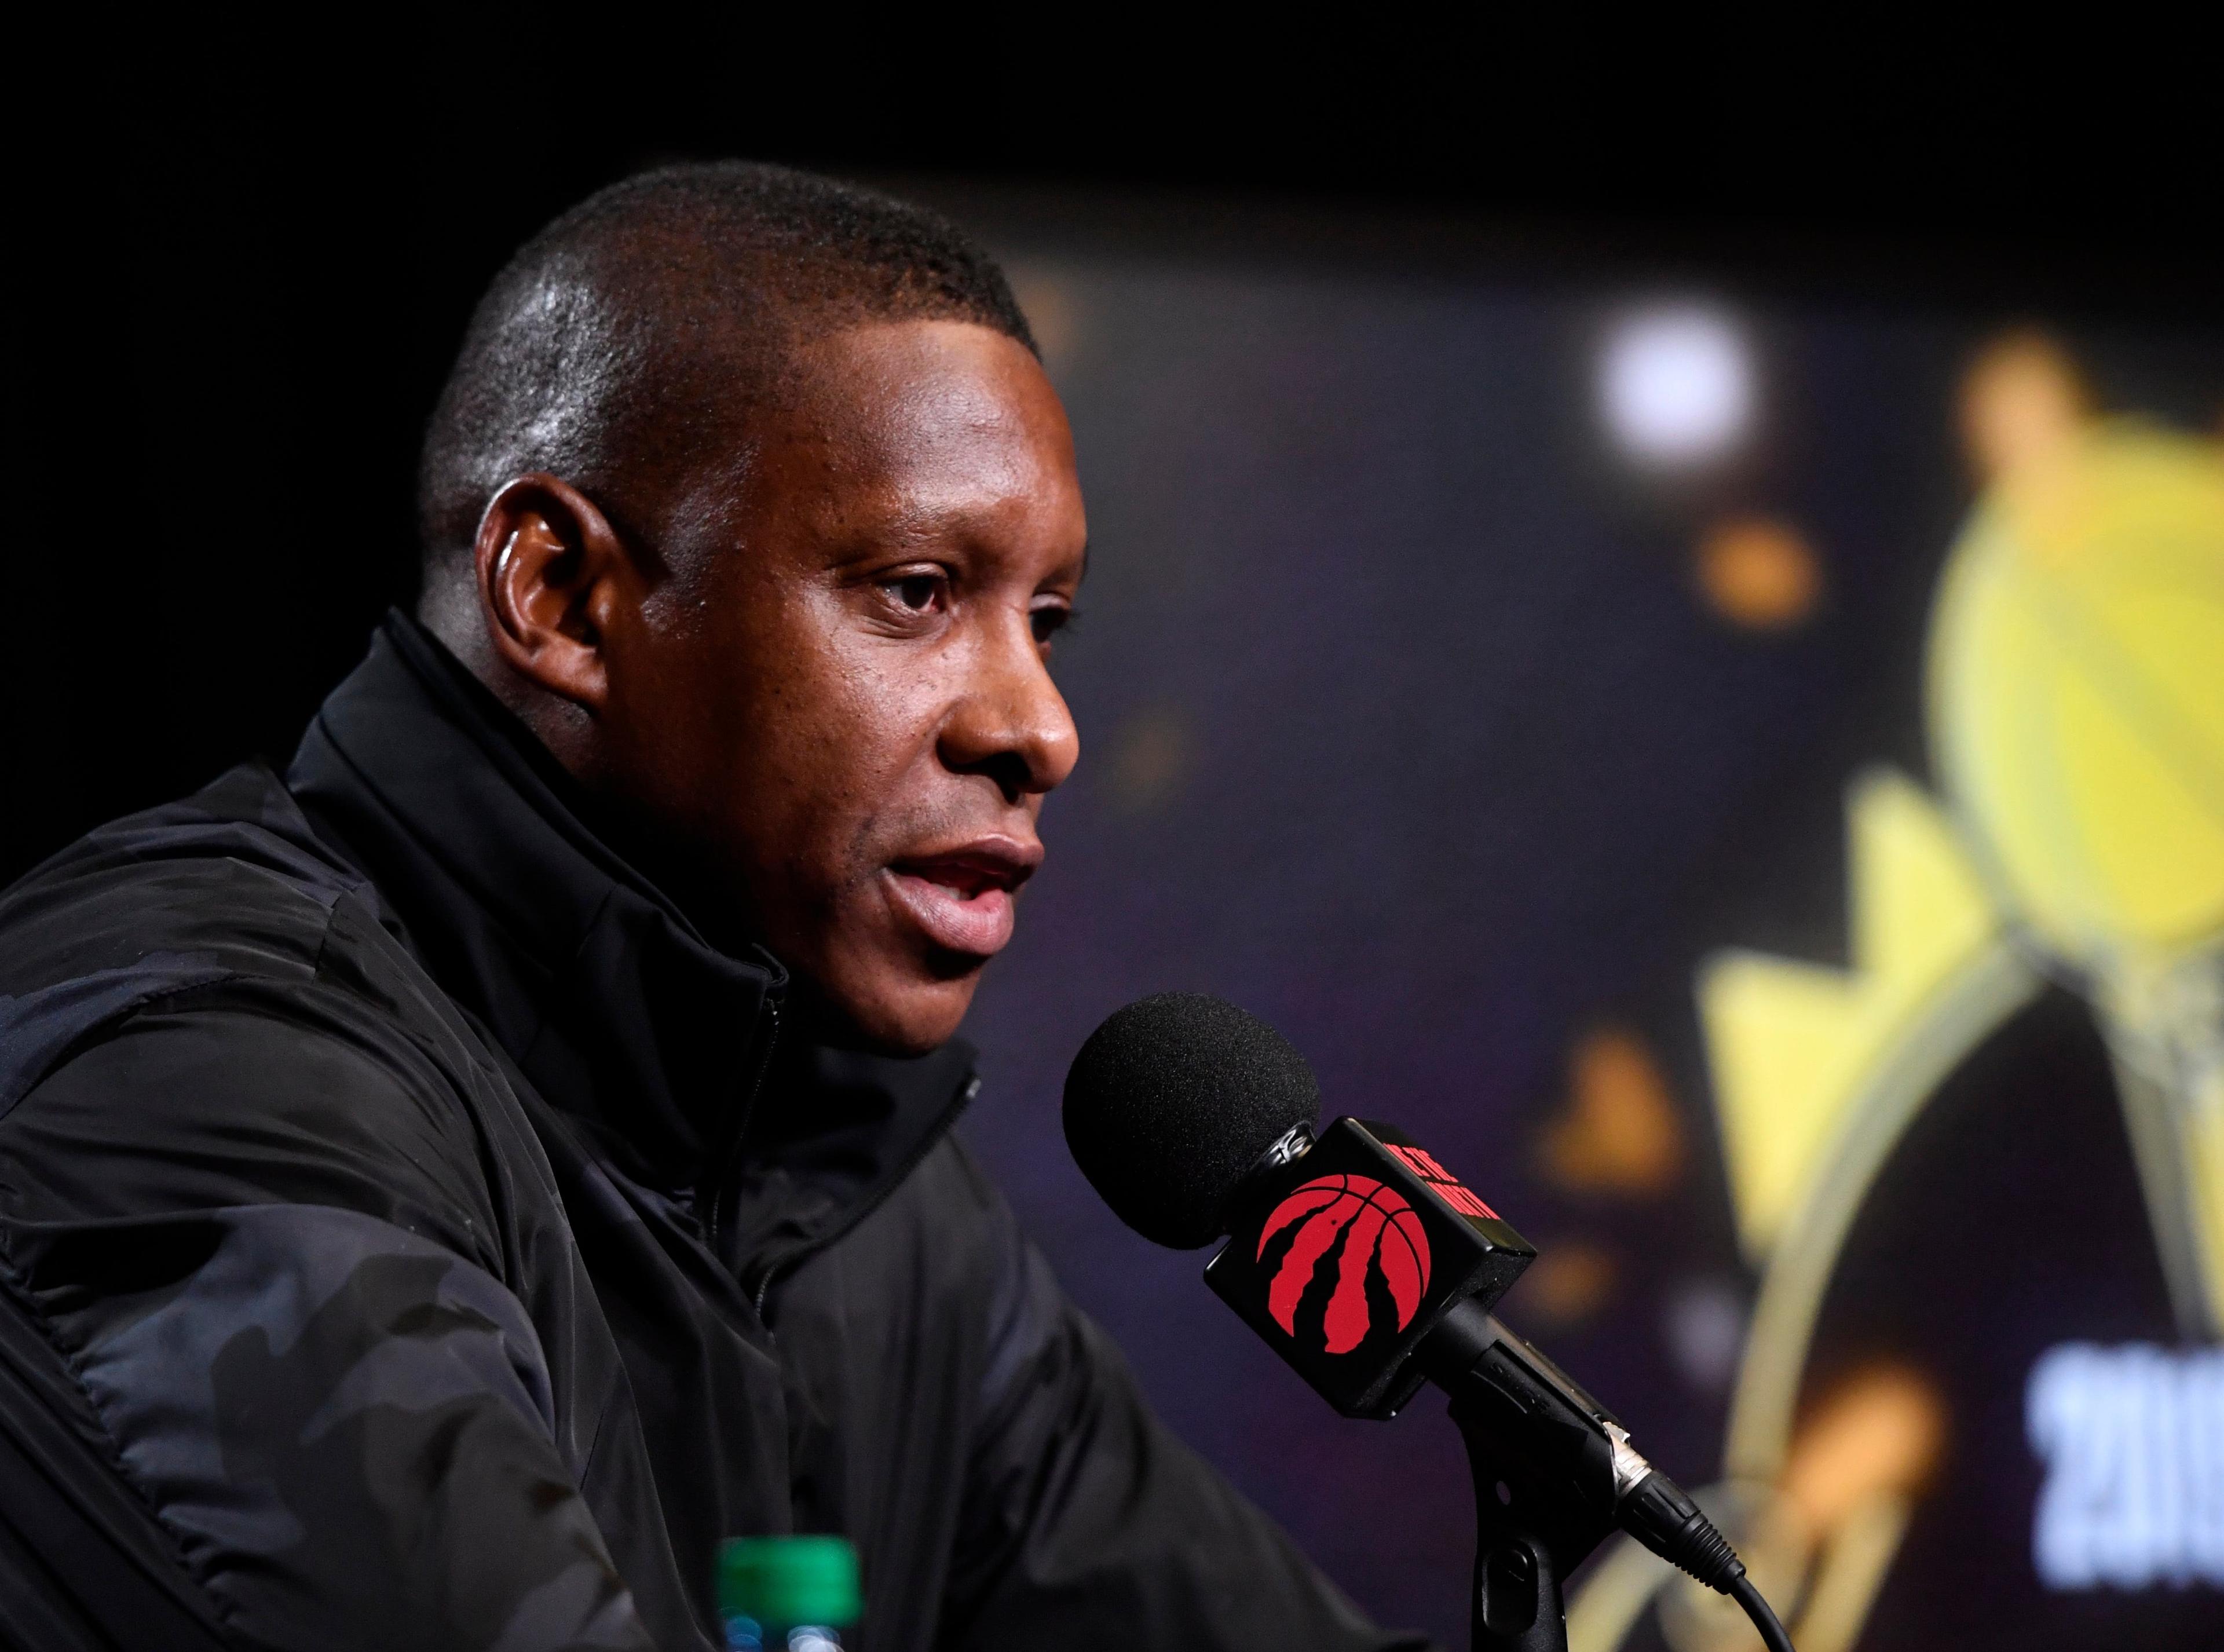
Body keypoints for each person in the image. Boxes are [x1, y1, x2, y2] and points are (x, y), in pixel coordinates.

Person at [0, 163, 1424, 1652]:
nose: (1041, 728)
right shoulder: (196, 1068)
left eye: (1046, 622)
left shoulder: (862, 1196)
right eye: (920, 591)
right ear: (557, 597)